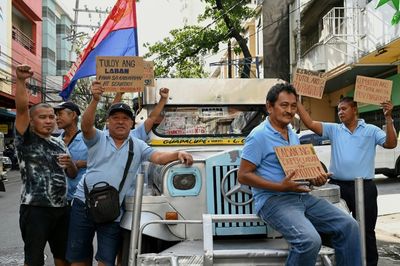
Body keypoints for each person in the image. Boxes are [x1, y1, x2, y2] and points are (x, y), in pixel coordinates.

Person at [66, 81, 193, 266]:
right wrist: (95, 100)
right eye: (115, 117)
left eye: (125, 118)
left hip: (113, 211)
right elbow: (86, 126)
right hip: (83, 203)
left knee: (106, 259)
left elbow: (158, 157)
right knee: (78, 257)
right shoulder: (98, 138)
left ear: (132, 123)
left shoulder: (138, 144)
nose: (120, 121)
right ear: (107, 122)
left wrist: (178, 154)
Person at [237, 83, 362, 266]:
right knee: (309, 241)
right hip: (273, 201)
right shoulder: (258, 136)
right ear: (269, 107)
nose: (289, 110)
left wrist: (315, 178)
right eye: (284, 105)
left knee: (350, 226)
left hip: (301, 197)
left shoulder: (292, 134)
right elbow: (243, 175)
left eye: (293, 106)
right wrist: (280, 186)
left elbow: (298, 170)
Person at [297, 96, 397, 266]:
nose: (340, 112)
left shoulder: (371, 130)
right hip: (338, 187)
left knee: (366, 231)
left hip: (364, 188)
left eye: (344, 109)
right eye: (338, 110)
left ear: (355, 110)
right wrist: (297, 100)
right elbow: (310, 123)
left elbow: (391, 144)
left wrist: (388, 118)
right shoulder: (335, 129)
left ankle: (369, 263)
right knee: (335, 227)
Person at [14, 65, 78, 266]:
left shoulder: (60, 141)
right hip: (35, 210)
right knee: (33, 259)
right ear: (31, 122)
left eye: (51, 117)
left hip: (61, 209)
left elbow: (72, 174)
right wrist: (22, 81)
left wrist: (71, 164)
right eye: (43, 117)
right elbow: (22, 109)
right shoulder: (26, 138)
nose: (49, 121)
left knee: (63, 257)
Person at [54, 101, 88, 206]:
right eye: (56, 115)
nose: (57, 118)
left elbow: (103, 160)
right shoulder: (56, 142)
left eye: (60, 114)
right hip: (60, 200)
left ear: (73, 115)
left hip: (82, 199)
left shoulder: (88, 139)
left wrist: (82, 163)